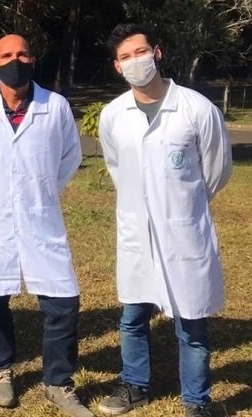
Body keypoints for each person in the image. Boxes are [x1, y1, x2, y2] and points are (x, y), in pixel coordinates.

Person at [97, 24, 232, 417]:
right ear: (117, 66)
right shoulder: (113, 115)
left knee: (191, 324)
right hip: (136, 232)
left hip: (183, 232)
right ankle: (135, 385)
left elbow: (216, 171)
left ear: (156, 53)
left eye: (140, 52)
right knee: (133, 317)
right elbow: (116, 167)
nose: (135, 61)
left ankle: (196, 402)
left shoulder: (196, 109)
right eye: (125, 56)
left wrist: (178, 204)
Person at [0, 34, 92, 417]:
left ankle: (57, 382)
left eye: (21, 54)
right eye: (6, 55)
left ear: (33, 59)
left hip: (40, 215)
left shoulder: (56, 107)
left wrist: (39, 191)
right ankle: (2, 370)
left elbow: (69, 157)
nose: (14, 60)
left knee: (63, 302)